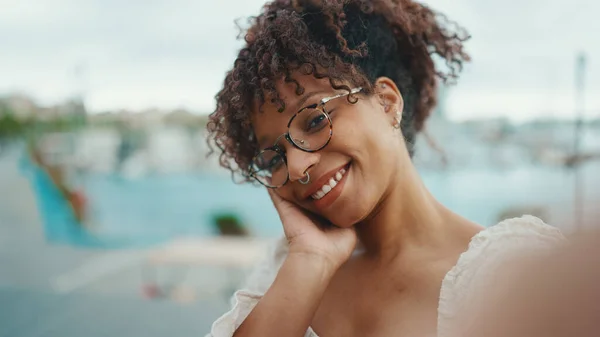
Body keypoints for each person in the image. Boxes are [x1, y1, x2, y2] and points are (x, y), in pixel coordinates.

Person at [205, 1, 566, 336]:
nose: (297, 166)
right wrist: (310, 260)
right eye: (274, 157)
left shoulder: (513, 272)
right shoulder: (281, 275)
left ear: (387, 102)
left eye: (314, 120)